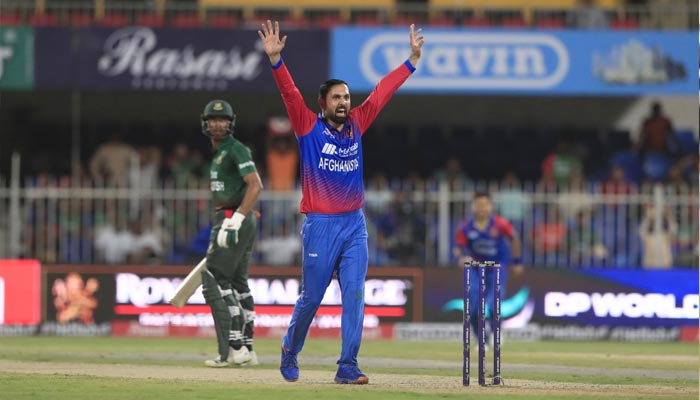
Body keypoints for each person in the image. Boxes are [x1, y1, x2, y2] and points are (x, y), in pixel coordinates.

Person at [257, 20, 424, 384]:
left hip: (354, 225)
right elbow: (289, 94)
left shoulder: (358, 124)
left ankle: (347, 365)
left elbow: (382, 92)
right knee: (312, 298)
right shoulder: (306, 127)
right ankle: (289, 348)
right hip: (320, 226)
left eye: (347, 97)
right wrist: (276, 61)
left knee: (354, 295)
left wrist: (411, 61)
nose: (345, 102)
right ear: (323, 103)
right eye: (337, 97)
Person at [199, 99, 263, 368]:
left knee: (213, 279)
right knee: (238, 283)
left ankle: (233, 349)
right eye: (213, 120)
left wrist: (235, 219)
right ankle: (247, 350)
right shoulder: (220, 152)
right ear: (205, 123)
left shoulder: (235, 149)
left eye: (223, 120)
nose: (217, 124)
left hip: (233, 217)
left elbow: (256, 185)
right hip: (236, 217)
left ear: (231, 122)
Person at [453, 192, 523, 343]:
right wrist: (460, 257)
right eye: (478, 205)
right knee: (472, 309)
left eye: (484, 205)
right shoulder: (465, 226)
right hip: (476, 269)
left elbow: (515, 238)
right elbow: (458, 247)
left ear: (490, 207)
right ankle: (482, 340)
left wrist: (517, 262)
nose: (481, 209)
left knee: (492, 306)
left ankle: (496, 332)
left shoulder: (500, 224)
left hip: (497, 269)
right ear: (473, 206)